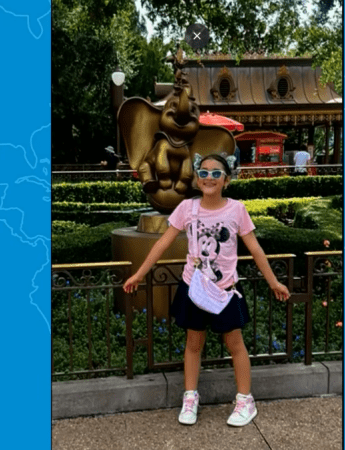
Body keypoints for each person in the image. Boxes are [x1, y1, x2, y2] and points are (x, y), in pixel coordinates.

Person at [123, 154, 290, 427]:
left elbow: (255, 248)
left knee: (235, 344)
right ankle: (190, 398)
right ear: (197, 178)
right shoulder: (187, 208)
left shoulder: (237, 210)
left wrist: (273, 281)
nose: (209, 177)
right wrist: (140, 274)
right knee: (193, 344)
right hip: (195, 287)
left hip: (225, 290)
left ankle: (245, 400)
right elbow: (162, 243)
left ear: (227, 179)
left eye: (216, 173)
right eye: (204, 172)